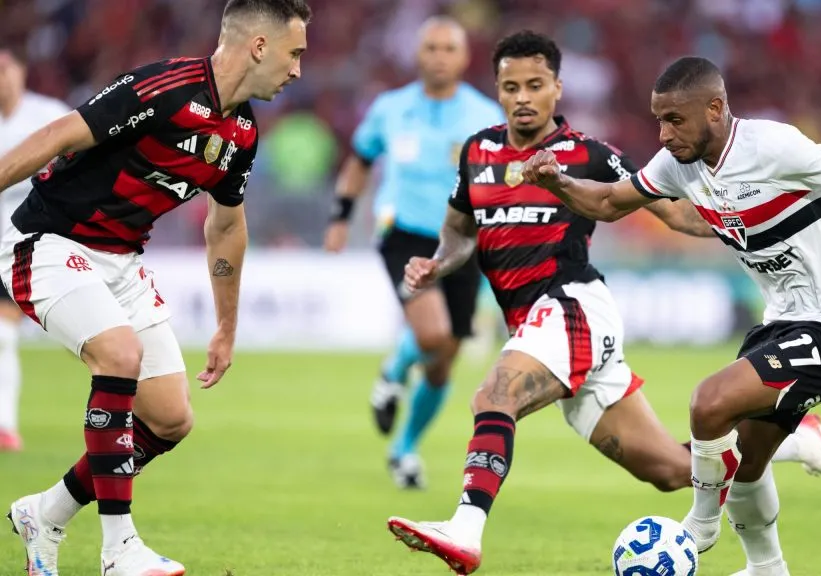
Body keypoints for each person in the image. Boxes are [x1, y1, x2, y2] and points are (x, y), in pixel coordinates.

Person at [385, 31, 821, 576]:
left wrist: (751, 214)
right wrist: (437, 263)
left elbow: (675, 212)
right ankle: (795, 441)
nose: (522, 97)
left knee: (495, 395)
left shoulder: (590, 154)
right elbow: (459, 231)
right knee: (672, 471)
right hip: (532, 325)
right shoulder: (477, 153)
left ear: (557, 88)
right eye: (510, 87)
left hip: (571, 307)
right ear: (496, 90)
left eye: (535, 85)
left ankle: (465, 529)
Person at [521, 56, 821, 576]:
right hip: (782, 323)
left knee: (709, 402)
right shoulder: (677, 164)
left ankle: (701, 524)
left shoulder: (772, 146)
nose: (664, 134)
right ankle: (768, 567)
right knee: (744, 461)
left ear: (715, 109)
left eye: (675, 120)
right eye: (659, 120)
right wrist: (557, 182)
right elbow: (608, 202)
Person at [2, 1, 309, 574]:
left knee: (170, 418)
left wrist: (226, 326)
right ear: (259, 46)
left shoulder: (241, 134)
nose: (297, 70)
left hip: (121, 261)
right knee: (120, 355)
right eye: (294, 54)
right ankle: (119, 549)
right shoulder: (164, 89)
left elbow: (226, 228)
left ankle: (44, 513)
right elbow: (57, 135)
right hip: (49, 241)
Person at [323, 16, 504, 489]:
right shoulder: (390, 108)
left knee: (443, 363)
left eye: (449, 48)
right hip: (403, 233)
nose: (439, 57)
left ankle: (403, 450)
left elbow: (502, 179)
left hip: (463, 239)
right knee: (432, 333)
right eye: (431, 48)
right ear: (417, 55)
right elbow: (360, 161)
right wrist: (341, 217)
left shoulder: (485, 114)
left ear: (464, 57)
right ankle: (395, 369)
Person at [0, 48, 71, 452]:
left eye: (5, 69)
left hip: (36, 237)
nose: (2, 78)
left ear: (22, 72)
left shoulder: (47, 115)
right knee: (3, 335)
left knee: (6, 333)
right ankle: (6, 426)